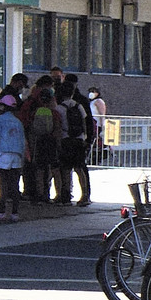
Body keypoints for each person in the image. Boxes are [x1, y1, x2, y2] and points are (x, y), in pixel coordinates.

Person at [55, 76, 92, 206]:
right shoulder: (79, 106)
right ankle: (84, 195)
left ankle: (65, 195)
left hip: (66, 140)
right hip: (79, 140)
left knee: (65, 169)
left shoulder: (58, 109)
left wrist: (58, 142)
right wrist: (85, 138)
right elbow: (85, 123)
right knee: (79, 168)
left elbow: (58, 127)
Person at [0, 98, 27, 222]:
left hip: (3, 154)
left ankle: (2, 211)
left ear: (3, 106)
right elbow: (22, 141)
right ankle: (15, 213)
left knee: (3, 184)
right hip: (16, 155)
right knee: (14, 184)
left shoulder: (0, 120)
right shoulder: (18, 122)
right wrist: (22, 155)